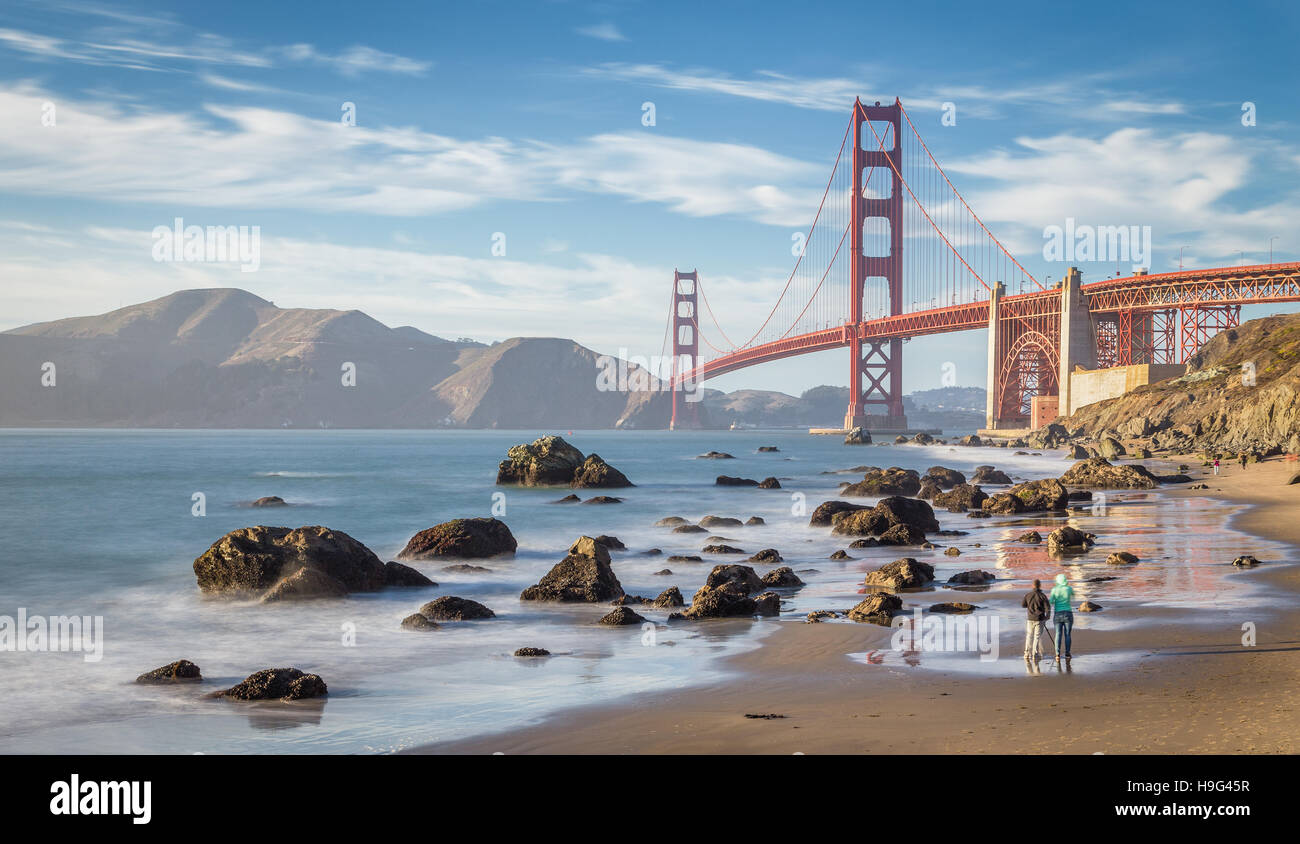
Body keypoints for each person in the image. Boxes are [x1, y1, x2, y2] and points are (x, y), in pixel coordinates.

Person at [1020, 579, 1051, 661]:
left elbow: (1023, 605)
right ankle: (1034, 653)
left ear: (1033, 585)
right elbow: (1048, 608)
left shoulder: (1028, 595)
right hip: (1040, 619)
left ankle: (1026, 653)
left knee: (1029, 636)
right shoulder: (1042, 596)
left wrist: (1030, 605)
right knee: (1036, 637)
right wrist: (1047, 616)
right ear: (1039, 585)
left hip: (1030, 618)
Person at [1049, 573, 1075, 661]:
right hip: (1068, 613)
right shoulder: (1069, 588)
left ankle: (1057, 654)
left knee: (1058, 634)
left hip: (1058, 614)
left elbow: (1051, 602)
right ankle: (1067, 653)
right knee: (1068, 634)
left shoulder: (1054, 589)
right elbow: (1073, 596)